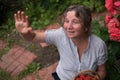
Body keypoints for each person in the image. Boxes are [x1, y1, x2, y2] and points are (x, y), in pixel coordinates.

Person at [14, 4, 108, 80]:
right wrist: (25, 33)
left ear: (86, 26)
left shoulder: (98, 45)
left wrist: (94, 79)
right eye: (67, 21)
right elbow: (34, 37)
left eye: (75, 22)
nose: (69, 26)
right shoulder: (61, 35)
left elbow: (102, 71)